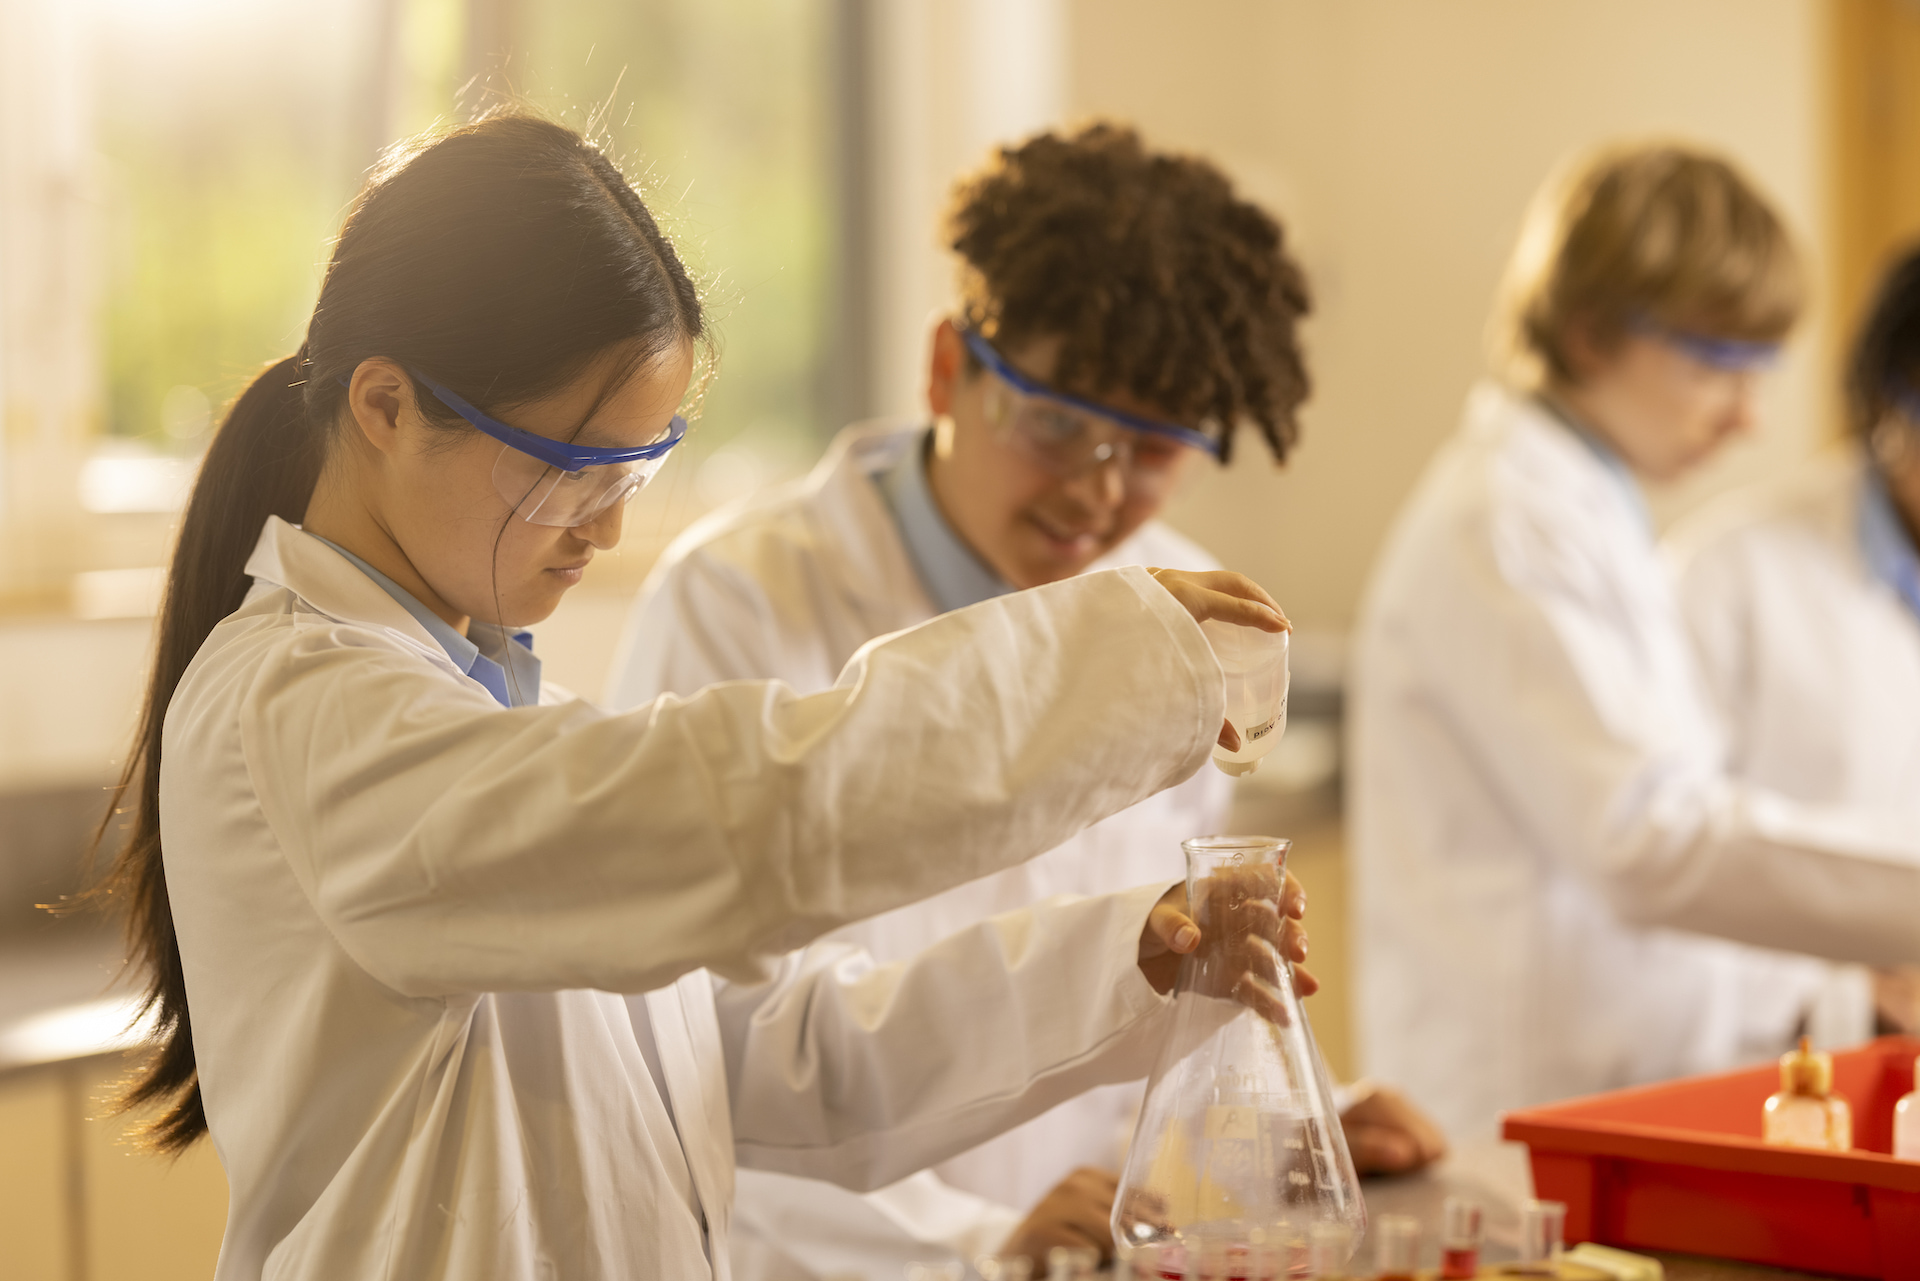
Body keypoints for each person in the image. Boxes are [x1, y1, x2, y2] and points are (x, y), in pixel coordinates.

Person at [95, 113, 1312, 1281]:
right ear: (386, 406)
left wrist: (1124, 964)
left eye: (642, 464)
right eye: (577, 466)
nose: (611, 527)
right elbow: (759, 816)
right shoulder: (304, 709)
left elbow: (769, 1061)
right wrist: (1111, 666)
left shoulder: (486, 705)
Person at [607, 124, 1444, 1279]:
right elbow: (716, 1053)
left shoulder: (1183, 625)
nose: (1098, 491)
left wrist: (1283, 1118)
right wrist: (972, 1245)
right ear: (950, 369)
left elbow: (1162, 969)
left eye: (1152, 448)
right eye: (1057, 422)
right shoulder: (741, 603)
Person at [1348, 140, 1920, 1144]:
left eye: (1762, 370)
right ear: (1589, 334)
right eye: (1715, 364)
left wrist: (1838, 1001)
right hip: (1517, 1107)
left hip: (1619, 1091)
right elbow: (1651, 842)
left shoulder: (1586, 514)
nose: (1747, 416)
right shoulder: (1509, 523)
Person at [1669, 245, 1920, 1036]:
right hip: (1785, 1066)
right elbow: (1655, 862)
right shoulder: (1726, 575)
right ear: (1891, 403)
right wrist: (1845, 998)